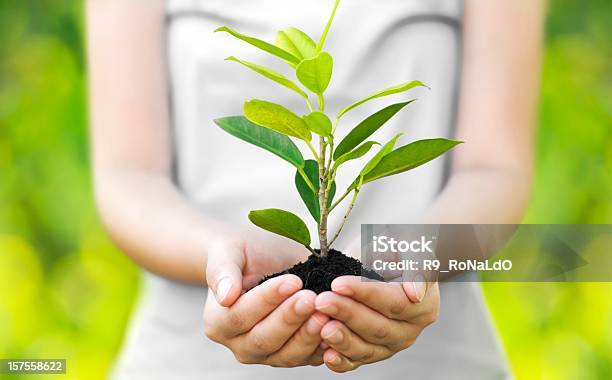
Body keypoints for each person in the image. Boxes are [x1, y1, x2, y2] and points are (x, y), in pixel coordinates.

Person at [87, 0, 546, 378]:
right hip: (186, 359)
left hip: (438, 358)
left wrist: (407, 253)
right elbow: (129, 177)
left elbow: (494, 171)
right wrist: (222, 259)